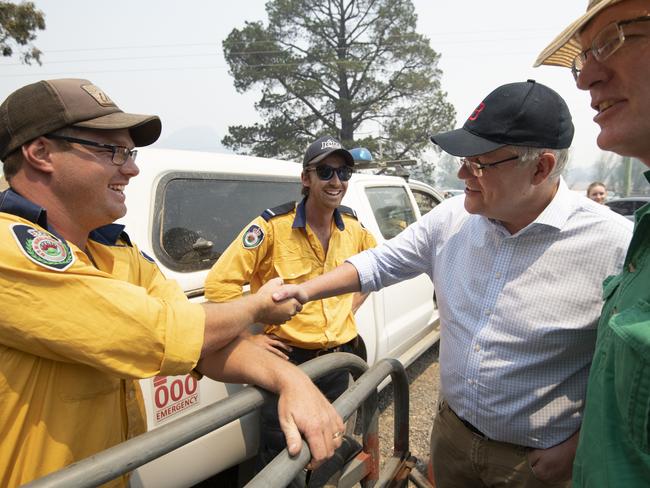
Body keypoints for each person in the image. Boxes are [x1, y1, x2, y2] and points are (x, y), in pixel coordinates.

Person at [273, 80, 633, 487]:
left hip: (536, 464)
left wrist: (577, 445)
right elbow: (380, 262)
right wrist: (301, 291)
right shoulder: (451, 219)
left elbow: (630, 372)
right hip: (452, 438)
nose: (462, 174)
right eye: (463, 160)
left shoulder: (616, 246)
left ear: (541, 167)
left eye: (479, 165)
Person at [0, 79, 344, 487]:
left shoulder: (116, 250)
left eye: (129, 153)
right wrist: (255, 307)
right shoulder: (9, 249)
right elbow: (160, 332)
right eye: (111, 151)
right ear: (40, 153)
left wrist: (291, 379)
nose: (131, 168)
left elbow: (201, 340)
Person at [204, 135, 376, 477]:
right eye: (325, 171)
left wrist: (347, 309)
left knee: (329, 445)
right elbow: (218, 285)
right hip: (288, 362)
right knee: (286, 458)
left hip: (337, 361)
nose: (336, 181)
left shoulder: (354, 227)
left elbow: (371, 269)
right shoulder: (270, 227)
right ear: (305, 178)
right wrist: (246, 339)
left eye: (344, 172)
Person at [536, 1, 650, 485]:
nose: (585, 80)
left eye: (613, 40)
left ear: (540, 167)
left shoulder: (610, 231)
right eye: (584, 59)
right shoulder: (642, 235)